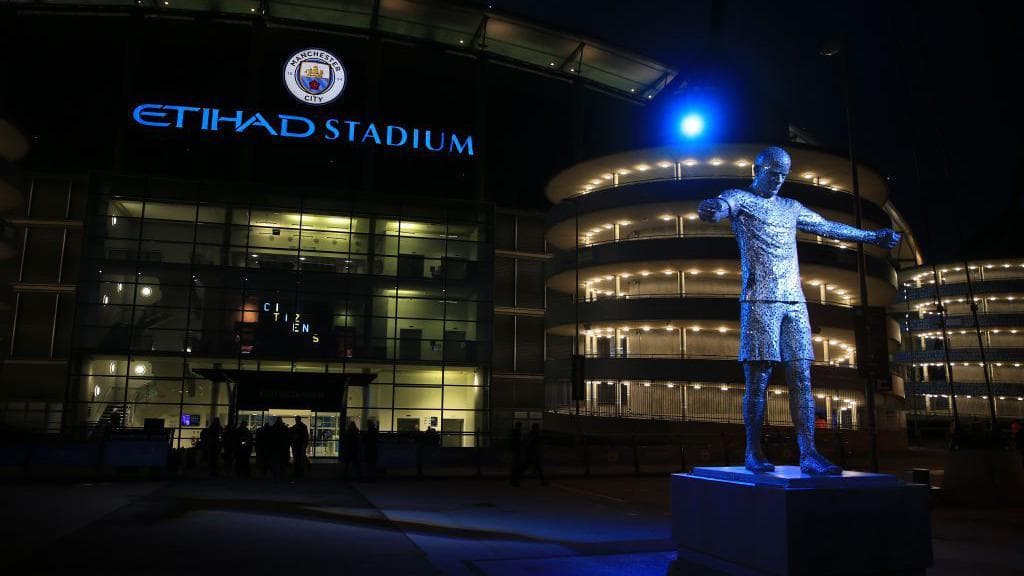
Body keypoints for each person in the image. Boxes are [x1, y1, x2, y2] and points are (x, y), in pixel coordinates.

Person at [698, 146, 901, 475]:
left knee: (802, 377)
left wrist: (872, 237)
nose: (778, 180)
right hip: (760, 301)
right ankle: (753, 451)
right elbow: (721, 206)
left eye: (783, 175)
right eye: (772, 174)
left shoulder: (790, 207)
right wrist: (712, 208)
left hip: (794, 301)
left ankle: (808, 453)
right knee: (759, 379)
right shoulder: (740, 198)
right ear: (757, 170)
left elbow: (828, 227)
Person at [269, 416, 289, 483]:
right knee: (282, 463)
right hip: (282, 448)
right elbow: (287, 438)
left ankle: (276, 476)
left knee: (275, 463)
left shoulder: (273, 428)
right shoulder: (284, 428)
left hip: (275, 448)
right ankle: (281, 475)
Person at [508, 421, 524, 486]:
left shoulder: (514, 433)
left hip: (515, 451)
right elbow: (518, 442)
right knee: (516, 467)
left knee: (515, 467)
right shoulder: (517, 433)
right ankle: (515, 481)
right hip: (517, 451)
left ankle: (513, 481)